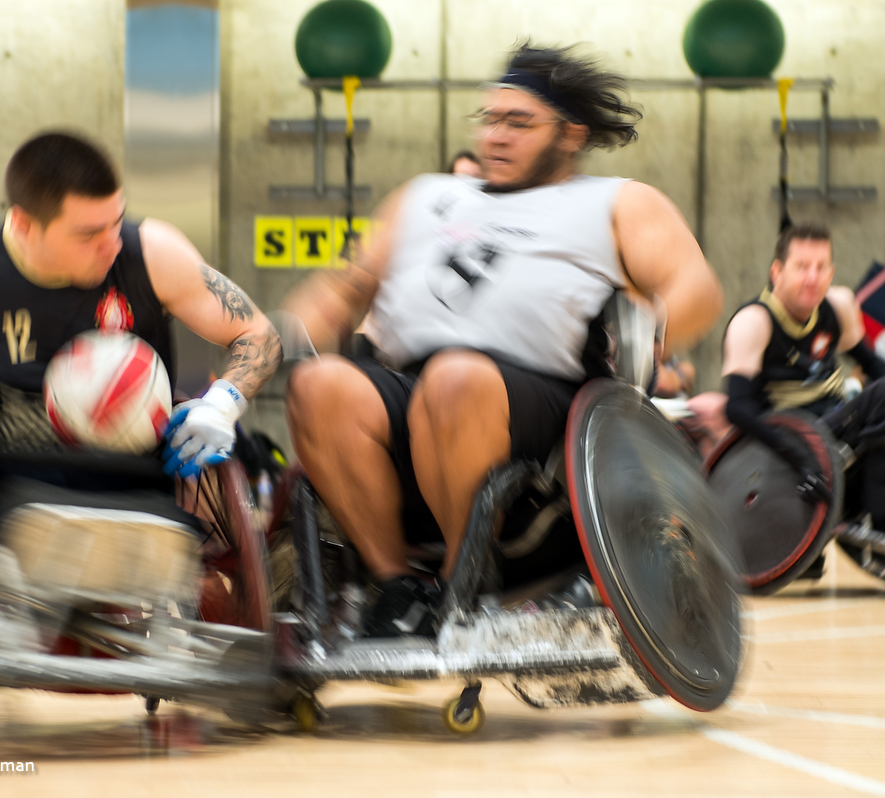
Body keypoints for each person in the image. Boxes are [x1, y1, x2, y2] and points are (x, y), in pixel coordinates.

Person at [284, 42, 723, 638]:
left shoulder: (617, 201)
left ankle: (465, 584)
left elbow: (695, 286)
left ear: (570, 133)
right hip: (415, 397)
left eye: (519, 123)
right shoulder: (423, 196)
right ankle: (397, 589)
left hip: (537, 423)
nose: (496, 136)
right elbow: (345, 287)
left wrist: (651, 325)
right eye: (489, 119)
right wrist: (284, 333)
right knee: (319, 384)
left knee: (456, 377)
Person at [0, 131, 281, 479]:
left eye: (116, 222)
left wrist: (223, 404)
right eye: (88, 234)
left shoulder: (155, 253)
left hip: (134, 485)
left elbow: (258, 333)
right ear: (24, 225)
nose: (112, 244)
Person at [720, 222, 885, 523]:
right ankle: (874, 517)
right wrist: (798, 456)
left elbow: (875, 367)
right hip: (795, 432)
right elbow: (737, 408)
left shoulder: (838, 305)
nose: (812, 277)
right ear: (776, 272)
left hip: (837, 421)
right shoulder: (754, 321)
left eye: (821, 267)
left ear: (831, 273)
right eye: (802, 267)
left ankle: (867, 514)